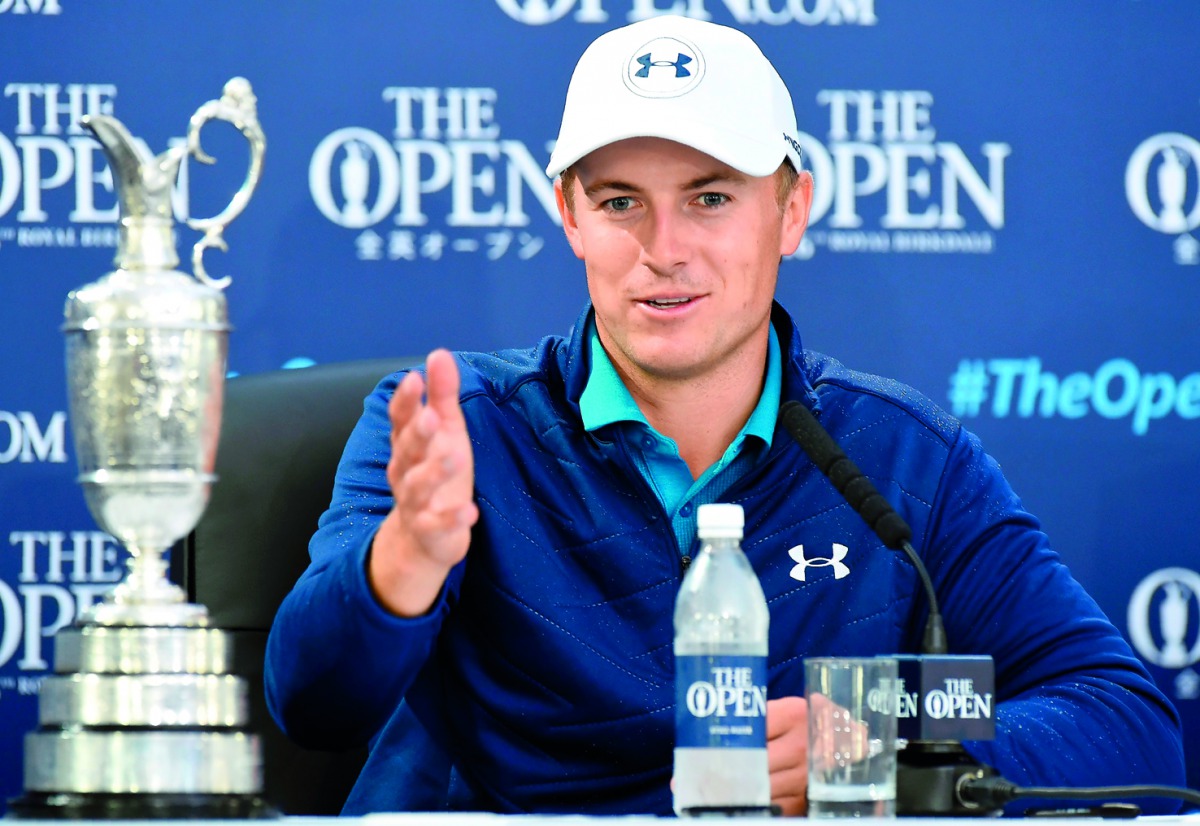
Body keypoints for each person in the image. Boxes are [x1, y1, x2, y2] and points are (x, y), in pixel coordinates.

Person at [264, 14, 1186, 816]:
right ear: (569, 218)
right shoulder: (454, 427)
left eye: (710, 198)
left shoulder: (905, 460)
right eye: (621, 202)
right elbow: (312, 706)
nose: (664, 251)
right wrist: (402, 568)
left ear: (790, 211)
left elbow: (1125, 721)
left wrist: (882, 739)